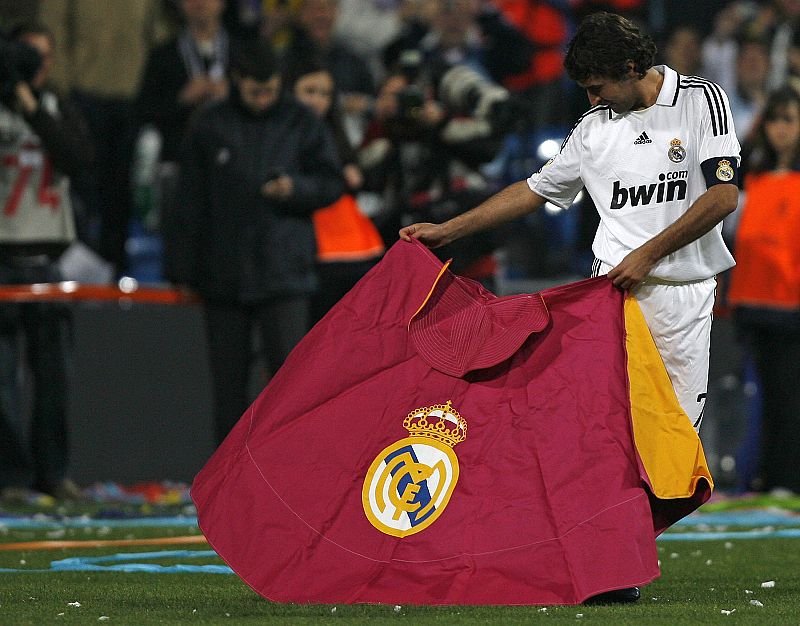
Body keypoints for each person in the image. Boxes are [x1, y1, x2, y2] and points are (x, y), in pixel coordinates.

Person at [400, 11, 740, 602]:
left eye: (597, 85)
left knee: (672, 441)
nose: (591, 98)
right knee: (605, 432)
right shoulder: (593, 127)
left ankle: (616, 547)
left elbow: (723, 195)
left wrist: (650, 254)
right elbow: (537, 189)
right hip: (608, 297)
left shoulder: (699, 99)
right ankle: (609, 565)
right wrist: (450, 230)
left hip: (681, 292)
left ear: (632, 68)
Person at [163, 40, 344, 444]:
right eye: (254, 90)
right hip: (223, 274)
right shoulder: (210, 125)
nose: (263, 98)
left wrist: (295, 189)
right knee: (228, 387)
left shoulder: (303, 122)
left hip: (285, 273)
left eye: (270, 89)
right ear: (236, 81)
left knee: (290, 385)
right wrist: (181, 266)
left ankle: (287, 478)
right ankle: (227, 487)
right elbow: (188, 201)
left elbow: (332, 182)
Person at [0, 23, 93, 502]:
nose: (35, 66)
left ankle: (53, 473)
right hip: (3, 256)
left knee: (54, 377)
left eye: (42, 57)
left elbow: (78, 158)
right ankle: (11, 478)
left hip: (47, 259)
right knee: (2, 381)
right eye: (26, 55)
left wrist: (33, 108)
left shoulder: (57, 108)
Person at [727, 86, 800, 495]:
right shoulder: (750, 179)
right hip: (756, 304)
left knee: (790, 398)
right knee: (769, 397)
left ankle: (786, 479)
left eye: (788, 119)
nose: (779, 129)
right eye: (774, 119)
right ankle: (772, 478)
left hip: (793, 303)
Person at [285, 59, 384, 322]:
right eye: (310, 91)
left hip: (352, 245)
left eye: (325, 94)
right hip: (309, 248)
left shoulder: (335, 134)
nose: (318, 100)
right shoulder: (280, 135)